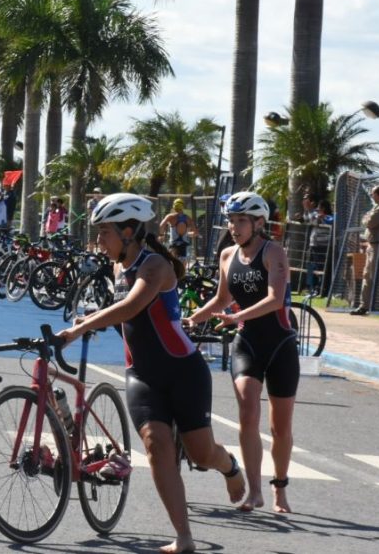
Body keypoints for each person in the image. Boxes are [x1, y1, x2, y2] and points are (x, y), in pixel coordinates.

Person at [58, 193, 244, 554]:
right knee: (157, 447)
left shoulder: (156, 266)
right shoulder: (117, 267)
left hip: (184, 372)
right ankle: (184, 536)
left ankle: (230, 467)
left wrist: (78, 329)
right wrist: (93, 321)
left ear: (129, 231)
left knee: (202, 454)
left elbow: (132, 306)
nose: (99, 240)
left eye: (104, 232)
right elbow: (131, 321)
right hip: (142, 375)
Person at [187, 191, 298, 514]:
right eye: (231, 221)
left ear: (258, 223)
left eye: (241, 221)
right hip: (247, 344)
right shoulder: (226, 256)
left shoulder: (273, 252)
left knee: (280, 427)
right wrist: (196, 316)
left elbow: (276, 299)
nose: (234, 227)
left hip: (280, 344)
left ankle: (280, 486)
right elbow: (223, 299)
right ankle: (254, 491)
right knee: (248, 415)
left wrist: (238, 316)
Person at [351, 185, 379, 315]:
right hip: (371, 245)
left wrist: (367, 217)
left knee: (376, 276)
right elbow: (367, 219)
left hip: (378, 245)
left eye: (372, 194)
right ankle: (365, 305)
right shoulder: (377, 208)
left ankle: (377, 306)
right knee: (367, 275)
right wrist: (367, 217)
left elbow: (370, 222)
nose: (371, 196)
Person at [306, 200, 334, 295]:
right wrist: (309, 212)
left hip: (323, 246)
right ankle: (310, 288)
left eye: (320, 208)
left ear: (324, 208)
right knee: (310, 267)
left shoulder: (331, 217)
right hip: (313, 245)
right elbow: (309, 220)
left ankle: (321, 289)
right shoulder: (315, 215)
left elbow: (331, 221)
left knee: (321, 268)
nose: (318, 210)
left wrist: (323, 217)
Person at [159, 198, 197, 264]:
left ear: (174, 206)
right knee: (183, 268)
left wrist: (161, 235)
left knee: (172, 264)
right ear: (182, 207)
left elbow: (161, 226)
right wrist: (187, 234)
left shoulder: (170, 217)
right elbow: (195, 233)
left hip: (173, 244)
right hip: (184, 245)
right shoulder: (188, 218)